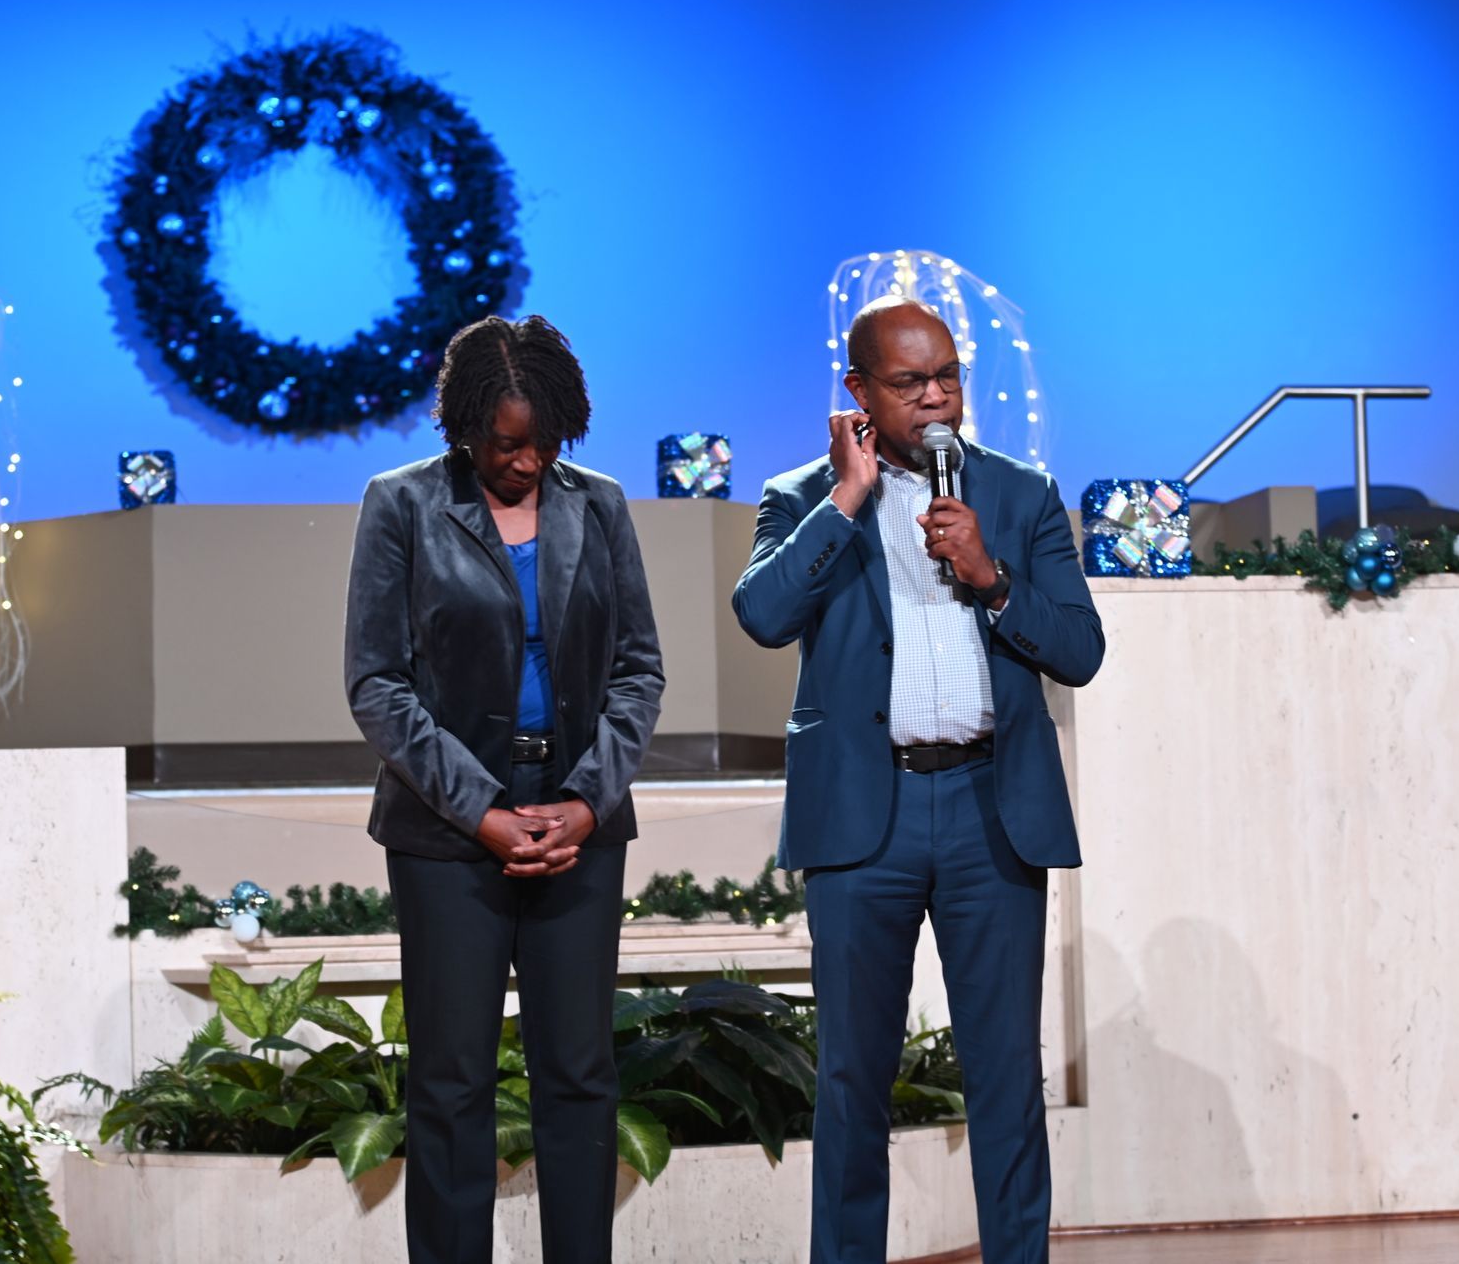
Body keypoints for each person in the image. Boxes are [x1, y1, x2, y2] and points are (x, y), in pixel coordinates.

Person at [732, 295, 1104, 1264]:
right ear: (858, 390)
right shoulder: (803, 496)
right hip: (867, 817)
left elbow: (1080, 649)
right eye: (910, 382)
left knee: (1005, 1077)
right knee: (853, 1078)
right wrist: (847, 498)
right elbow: (764, 615)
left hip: (992, 810)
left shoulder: (1020, 493)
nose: (936, 396)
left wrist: (993, 579)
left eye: (948, 376)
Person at [344, 314, 664, 1264]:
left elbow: (638, 670)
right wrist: (481, 810)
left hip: (578, 826)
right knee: (450, 1084)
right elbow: (377, 682)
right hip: (447, 834)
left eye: (544, 441)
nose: (526, 461)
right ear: (464, 426)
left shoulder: (599, 505)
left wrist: (586, 801)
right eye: (505, 444)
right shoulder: (401, 503)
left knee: (580, 1075)